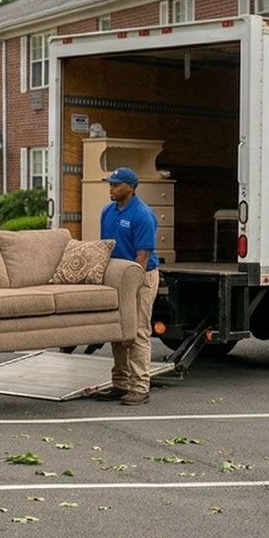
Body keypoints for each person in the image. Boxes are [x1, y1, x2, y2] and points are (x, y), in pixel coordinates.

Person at [92, 167, 158, 407]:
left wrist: (133, 285)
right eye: (110, 183)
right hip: (117, 278)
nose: (111, 188)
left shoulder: (142, 215)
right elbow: (106, 247)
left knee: (138, 331)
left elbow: (142, 257)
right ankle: (120, 384)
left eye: (116, 184)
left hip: (141, 278)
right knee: (118, 332)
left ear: (130, 187)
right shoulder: (107, 212)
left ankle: (140, 387)